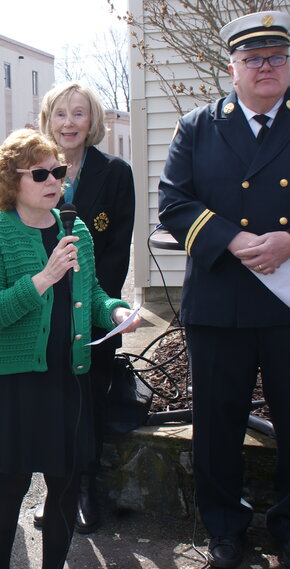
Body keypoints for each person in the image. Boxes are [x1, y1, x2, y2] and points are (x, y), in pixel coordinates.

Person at [0, 129, 139, 569]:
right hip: (15, 381)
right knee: (11, 485)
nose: (53, 181)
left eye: (58, 171)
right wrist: (43, 278)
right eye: (40, 173)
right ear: (11, 181)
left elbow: (94, 293)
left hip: (69, 376)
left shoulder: (74, 226)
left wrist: (117, 313)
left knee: (64, 484)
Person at [158, 11, 290, 569]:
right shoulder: (198, 125)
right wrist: (235, 241)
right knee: (216, 425)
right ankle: (225, 527)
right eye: (253, 59)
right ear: (231, 68)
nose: (266, 67)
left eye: (277, 56)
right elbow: (173, 201)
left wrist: (289, 241)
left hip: (287, 303)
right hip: (220, 301)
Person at [36, 82, 136, 532]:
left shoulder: (115, 172)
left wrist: (96, 309)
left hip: (92, 313)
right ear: (47, 119)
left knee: (89, 401)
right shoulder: (33, 169)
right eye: (60, 114)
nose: (69, 123)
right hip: (42, 310)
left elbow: (116, 250)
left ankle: (87, 489)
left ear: (92, 121)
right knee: (48, 402)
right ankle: (54, 489)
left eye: (79, 114)